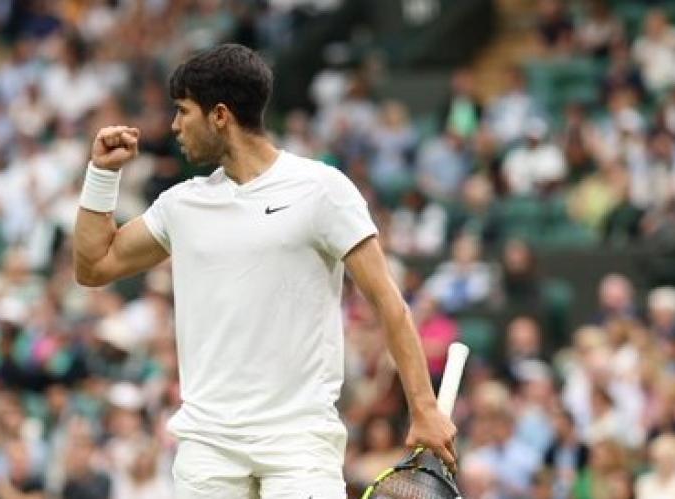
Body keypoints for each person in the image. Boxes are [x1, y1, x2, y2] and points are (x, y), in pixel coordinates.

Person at [73, 43, 456, 498]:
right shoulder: (182, 204)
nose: (174, 125)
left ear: (219, 116)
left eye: (183, 111)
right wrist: (101, 174)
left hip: (299, 443)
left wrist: (424, 408)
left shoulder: (322, 190)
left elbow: (388, 304)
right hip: (208, 445)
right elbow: (94, 266)